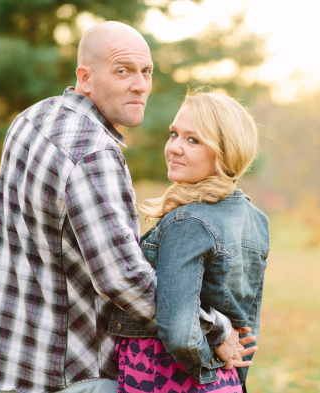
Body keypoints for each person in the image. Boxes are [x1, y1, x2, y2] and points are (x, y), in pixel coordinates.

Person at [0, 22, 249, 393]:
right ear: (85, 78)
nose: (140, 85)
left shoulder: (32, 119)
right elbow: (123, 278)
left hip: (15, 360)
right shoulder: (93, 153)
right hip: (74, 372)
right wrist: (214, 327)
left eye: (146, 72)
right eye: (123, 71)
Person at [107, 89, 270, 393]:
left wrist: (206, 367)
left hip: (167, 377)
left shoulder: (188, 222)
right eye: (174, 134)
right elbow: (248, 323)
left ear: (224, 151)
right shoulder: (257, 220)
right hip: (225, 380)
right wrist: (228, 373)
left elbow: (180, 331)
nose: (174, 148)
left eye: (193, 140)